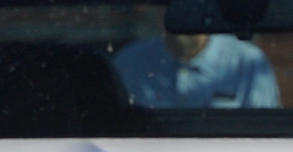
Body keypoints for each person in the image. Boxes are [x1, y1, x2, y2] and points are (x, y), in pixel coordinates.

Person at [114, 29, 280, 109]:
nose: (184, 19)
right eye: (175, 6)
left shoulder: (247, 63)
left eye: (193, 8)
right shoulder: (128, 63)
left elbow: (266, 137)